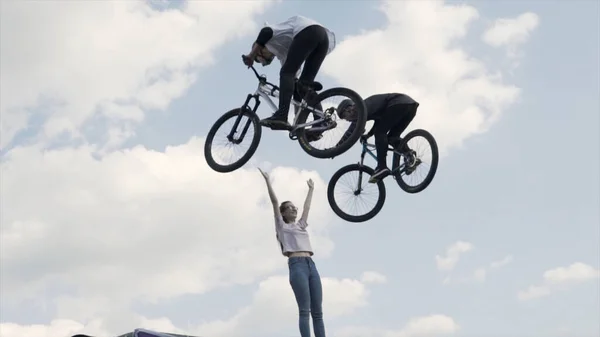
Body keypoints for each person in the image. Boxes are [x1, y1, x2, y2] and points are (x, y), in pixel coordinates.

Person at [258, 167, 327, 337]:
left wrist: (311, 189)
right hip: (297, 266)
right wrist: (267, 181)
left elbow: (307, 207)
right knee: (304, 310)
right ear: (283, 213)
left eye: (294, 207)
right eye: (290, 208)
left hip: (311, 265)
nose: (294, 209)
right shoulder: (282, 226)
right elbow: (274, 202)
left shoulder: (301, 224)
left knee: (317, 312)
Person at [243, 15, 336, 131]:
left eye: (261, 58)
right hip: (322, 39)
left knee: (286, 73)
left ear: (260, 49)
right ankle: (321, 121)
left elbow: (265, 32)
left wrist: (251, 55)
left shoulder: (269, 37)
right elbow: (294, 87)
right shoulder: (283, 55)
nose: (268, 60)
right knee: (303, 85)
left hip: (307, 30)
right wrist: (297, 121)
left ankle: (281, 115)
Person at [336, 93, 419, 183]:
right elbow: (379, 121)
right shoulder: (366, 108)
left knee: (380, 133)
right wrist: (368, 135)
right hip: (410, 106)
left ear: (348, 109)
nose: (347, 120)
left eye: (344, 117)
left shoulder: (359, 108)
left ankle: (382, 167)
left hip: (397, 104)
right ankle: (410, 157)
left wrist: (336, 148)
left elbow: (351, 130)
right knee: (392, 137)